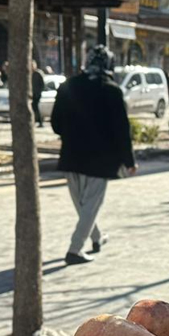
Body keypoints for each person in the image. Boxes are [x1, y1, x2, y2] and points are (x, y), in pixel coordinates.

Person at [51, 45, 136, 266]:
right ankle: (74, 250)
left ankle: (96, 237)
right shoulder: (112, 91)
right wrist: (129, 161)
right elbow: (122, 130)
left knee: (83, 205)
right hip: (101, 159)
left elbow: (56, 124)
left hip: (71, 155)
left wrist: (71, 133)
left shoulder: (69, 86)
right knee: (90, 205)